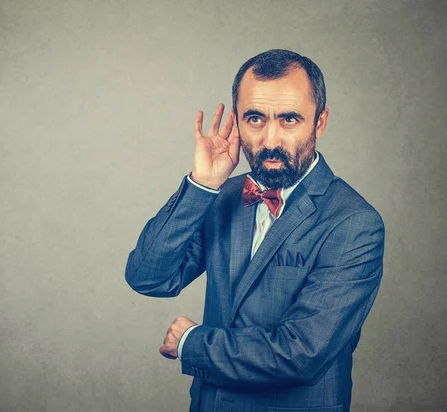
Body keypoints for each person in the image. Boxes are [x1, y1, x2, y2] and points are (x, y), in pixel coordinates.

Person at [125, 49, 385, 412]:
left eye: (290, 119)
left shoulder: (355, 223)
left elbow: (301, 354)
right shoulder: (222, 196)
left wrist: (192, 343)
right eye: (255, 119)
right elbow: (148, 277)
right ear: (237, 121)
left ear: (320, 122)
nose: (270, 140)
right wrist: (201, 185)